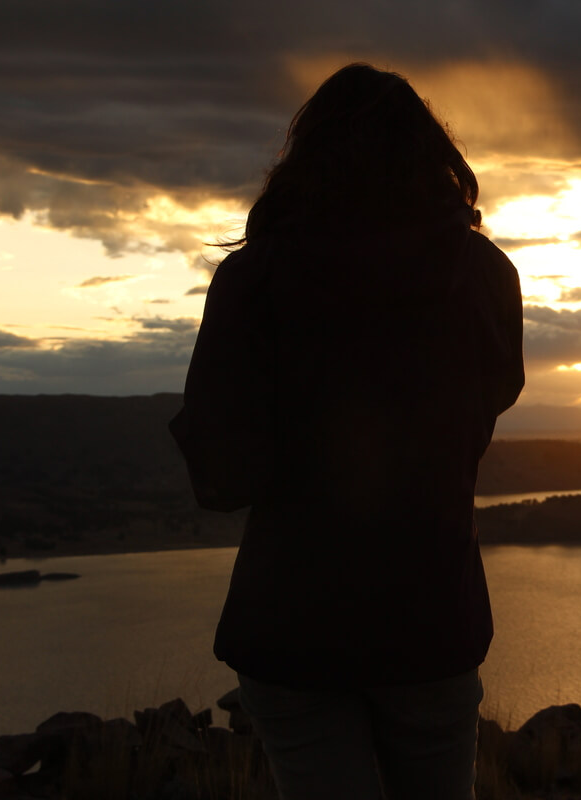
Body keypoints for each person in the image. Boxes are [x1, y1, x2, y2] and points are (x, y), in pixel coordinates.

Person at [170, 63, 524, 799]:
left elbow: (225, 479)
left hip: (291, 628)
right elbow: (488, 409)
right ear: (435, 159)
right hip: (433, 622)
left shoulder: (254, 279)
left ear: (307, 160)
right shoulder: (487, 276)